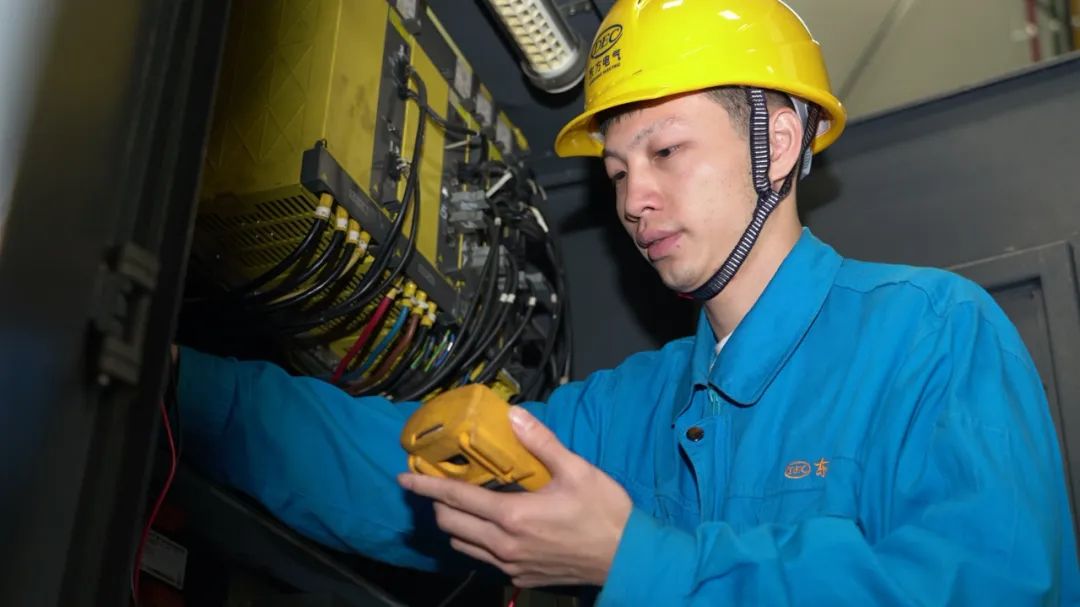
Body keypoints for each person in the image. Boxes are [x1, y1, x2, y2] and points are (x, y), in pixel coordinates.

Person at [174, 0, 1080, 603]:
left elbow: (993, 590)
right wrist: (169, 385)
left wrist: (631, 559)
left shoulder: (932, 336)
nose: (633, 198)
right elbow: (402, 471)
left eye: (665, 152)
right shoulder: (628, 411)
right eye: (615, 171)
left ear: (776, 141)